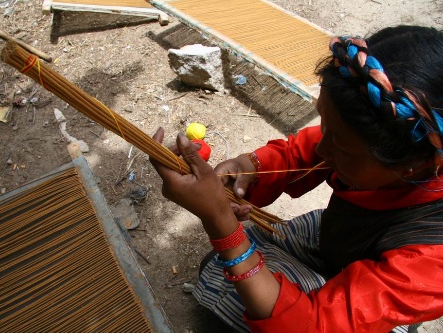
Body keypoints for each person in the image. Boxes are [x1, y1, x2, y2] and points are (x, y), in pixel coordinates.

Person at [150, 25, 443, 333]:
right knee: (226, 265)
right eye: (325, 125)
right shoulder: (379, 145)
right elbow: (300, 153)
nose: (321, 148)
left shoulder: (431, 259)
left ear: (410, 167)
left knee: (228, 271)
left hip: (378, 291)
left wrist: (220, 222)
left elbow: (311, 327)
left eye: (340, 146)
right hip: (341, 238)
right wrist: (249, 169)